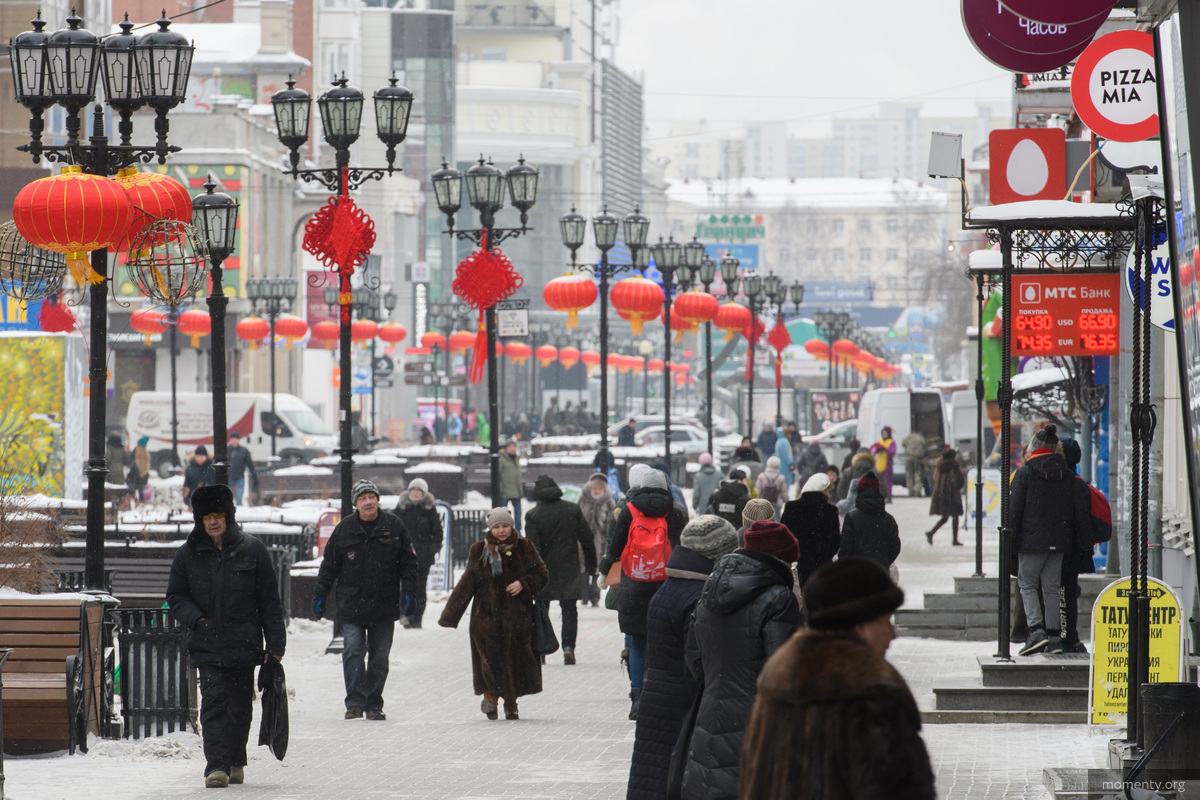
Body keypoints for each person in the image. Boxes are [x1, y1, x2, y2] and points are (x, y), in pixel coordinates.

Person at [739, 559, 935, 800]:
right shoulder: (872, 694)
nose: (892, 634)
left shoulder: (778, 679)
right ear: (858, 624)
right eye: (885, 621)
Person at [166, 484, 285, 789]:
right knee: (214, 702)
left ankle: (235, 760)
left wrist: (275, 646)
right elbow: (176, 596)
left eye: (218, 515)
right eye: (206, 516)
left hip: (244, 643)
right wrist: (198, 619)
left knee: (240, 705)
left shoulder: (253, 550)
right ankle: (216, 766)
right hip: (207, 642)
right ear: (199, 519)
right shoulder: (188, 554)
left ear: (228, 516)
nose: (212, 522)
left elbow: (269, 601)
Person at [675, 520, 802, 800]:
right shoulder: (778, 599)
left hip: (710, 715)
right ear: (780, 560)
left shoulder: (710, 591)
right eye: (792, 564)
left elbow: (694, 659)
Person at [627, 515, 740, 800]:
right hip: (683, 701)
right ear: (718, 555)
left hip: (657, 697)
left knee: (651, 777)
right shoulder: (700, 596)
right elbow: (697, 661)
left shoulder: (667, 587)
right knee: (677, 779)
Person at [312, 480, 421, 720]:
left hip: (384, 605)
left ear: (378, 499)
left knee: (380, 658)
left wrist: (410, 593)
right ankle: (354, 702)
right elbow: (329, 565)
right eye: (363, 498)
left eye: (372, 496)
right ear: (356, 504)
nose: (369, 501)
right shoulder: (345, 529)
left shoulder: (394, 526)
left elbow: (409, 563)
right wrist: (320, 594)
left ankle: (373, 703)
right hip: (351, 605)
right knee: (352, 651)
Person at [439, 508, 548, 720]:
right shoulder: (479, 550)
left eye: (505, 526)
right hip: (486, 619)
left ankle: (510, 703)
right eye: (497, 527)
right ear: (490, 528)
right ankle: (490, 698)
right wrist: (450, 615)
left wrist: (524, 584)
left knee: (514, 660)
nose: (501, 531)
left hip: (518, 618)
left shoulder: (525, 548)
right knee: (489, 659)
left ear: (512, 526)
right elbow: (467, 582)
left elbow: (541, 575)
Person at [599, 464, 687, 719]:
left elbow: (614, 547)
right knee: (664, 642)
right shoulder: (676, 513)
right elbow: (683, 548)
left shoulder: (628, 510)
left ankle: (637, 697)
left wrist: (604, 571)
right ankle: (659, 695)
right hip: (666, 584)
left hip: (634, 583)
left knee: (637, 641)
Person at [1011, 424, 1090, 656]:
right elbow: (1079, 513)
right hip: (1060, 543)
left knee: (1027, 584)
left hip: (1031, 542)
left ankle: (1036, 631)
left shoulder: (1025, 473)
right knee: (1052, 587)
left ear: (1034, 447)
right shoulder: (1067, 474)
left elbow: (1014, 512)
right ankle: (1054, 635)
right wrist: (1085, 545)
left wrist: (1010, 545)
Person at [524, 474, 597, 665]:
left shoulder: (533, 515)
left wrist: (533, 571)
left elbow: (532, 547)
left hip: (543, 570)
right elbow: (587, 538)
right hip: (568, 567)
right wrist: (591, 563)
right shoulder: (572, 509)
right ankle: (568, 647)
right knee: (569, 609)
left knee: (541, 610)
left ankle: (541, 650)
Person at [1059, 437, 1110, 653]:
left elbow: (1076, 518)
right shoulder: (1078, 482)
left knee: (1065, 594)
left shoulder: (1068, 483)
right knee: (1068, 592)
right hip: (1075, 549)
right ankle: (1069, 636)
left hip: (1067, 550)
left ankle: (1067, 637)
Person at [392, 478, 444, 628]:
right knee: (405, 587)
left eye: (418, 490)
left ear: (423, 493)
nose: (415, 493)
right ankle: (405, 615)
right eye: (413, 490)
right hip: (403, 556)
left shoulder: (429, 509)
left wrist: (430, 551)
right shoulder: (401, 508)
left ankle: (417, 619)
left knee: (419, 589)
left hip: (422, 558)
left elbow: (437, 534)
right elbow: (393, 529)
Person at [781, 473, 841, 588]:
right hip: (823, 568)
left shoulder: (791, 508)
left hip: (798, 567)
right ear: (823, 491)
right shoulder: (830, 510)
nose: (828, 494)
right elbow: (835, 540)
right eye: (827, 491)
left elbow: (784, 537)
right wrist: (824, 557)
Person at [838, 473, 901, 574]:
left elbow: (845, 549)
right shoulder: (888, 519)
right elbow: (895, 547)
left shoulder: (852, 518)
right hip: (880, 574)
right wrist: (883, 561)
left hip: (856, 574)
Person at [577, 472, 616, 607]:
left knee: (596, 569)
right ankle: (583, 596)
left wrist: (608, 539)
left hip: (599, 541)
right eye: (595, 488)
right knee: (582, 568)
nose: (597, 491)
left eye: (600, 489)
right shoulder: (582, 498)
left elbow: (611, 523)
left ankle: (595, 597)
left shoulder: (609, 502)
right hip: (582, 540)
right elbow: (576, 516)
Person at [926, 448, 965, 546]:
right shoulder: (953, 465)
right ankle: (954, 540)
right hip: (951, 495)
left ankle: (931, 533)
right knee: (955, 517)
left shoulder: (939, 465)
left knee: (945, 517)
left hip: (941, 494)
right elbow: (957, 481)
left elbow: (935, 477)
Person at [226, 431, 258, 505]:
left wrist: (254, 477)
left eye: (236, 438)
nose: (234, 440)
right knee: (228, 500)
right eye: (232, 438)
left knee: (239, 499)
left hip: (239, 479)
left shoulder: (243, 451)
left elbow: (250, 465)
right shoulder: (225, 450)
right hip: (228, 479)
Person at [499, 440, 524, 528]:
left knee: (518, 514)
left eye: (514, 447)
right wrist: (500, 489)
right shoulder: (502, 460)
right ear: (506, 449)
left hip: (516, 491)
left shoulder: (516, 459)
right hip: (505, 492)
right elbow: (497, 475)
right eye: (510, 447)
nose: (513, 449)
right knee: (503, 515)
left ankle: (518, 531)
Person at [691, 453, 722, 518]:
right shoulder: (719, 474)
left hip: (703, 507)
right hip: (717, 505)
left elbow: (696, 494)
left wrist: (694, 505)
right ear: (711, 461)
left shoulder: (698, 476)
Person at [870, 427, 897, 502]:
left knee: (887, 481)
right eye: (883, 433)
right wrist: (876, 449)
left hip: (887, 464)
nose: (884, 435)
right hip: (879, 464)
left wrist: (885, 449)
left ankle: (888, 496)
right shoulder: (880, 441)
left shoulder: (891, 442)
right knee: (878, 481)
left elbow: (892, 451)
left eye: (885, 433)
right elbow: (874, 449)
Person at [902, 429, 928, 498]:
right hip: (917, 457)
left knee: (909, 474)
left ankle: (910, 491)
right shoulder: (922, 438)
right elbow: (925, 447)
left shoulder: (910, 436)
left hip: (908, 457)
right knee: (917, 473)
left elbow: (903, 443)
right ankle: (917, 491)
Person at [127, 435, 151, 503]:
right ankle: (141, 501)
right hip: (143, 476)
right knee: (141, 492)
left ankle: (135, 502)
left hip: (134, 476)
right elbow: (147, 465)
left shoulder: (136, 451)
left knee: (132, 492)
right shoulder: (146, 453)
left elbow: (130, 463)